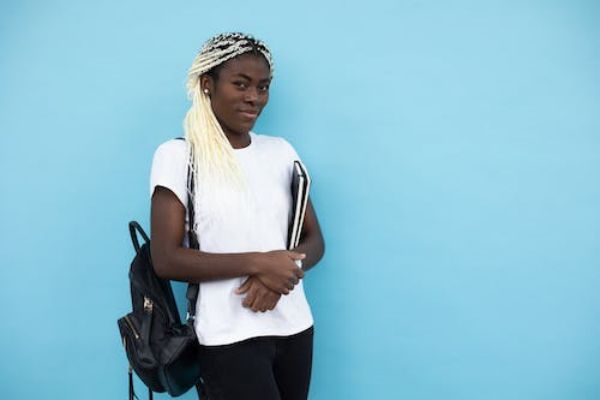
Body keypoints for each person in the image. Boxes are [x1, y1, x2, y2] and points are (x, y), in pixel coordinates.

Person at [149, 32, 325, 400]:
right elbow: (165, 259)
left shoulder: (281, 152)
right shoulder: (178, 157)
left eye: (263, 87)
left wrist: (278, 278)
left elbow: (314, 240)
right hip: (226, 338)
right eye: (241, 84)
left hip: (294, 328)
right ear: (207, 84)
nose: (254, 97)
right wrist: (261, 263)